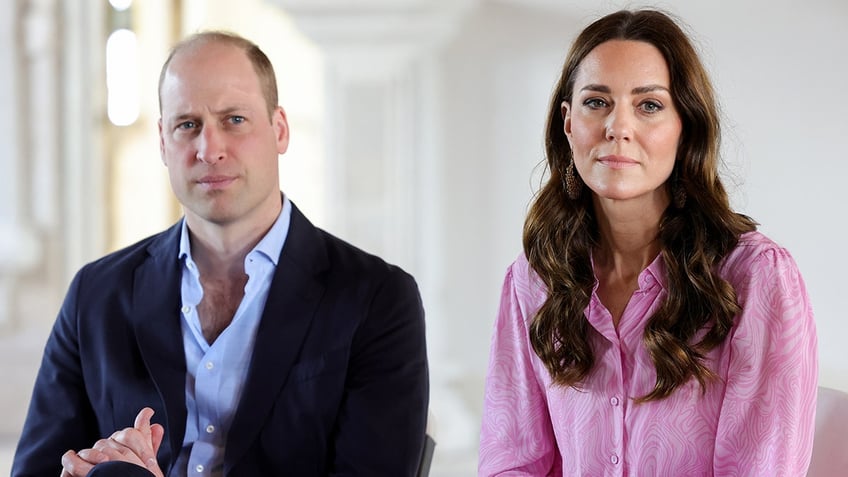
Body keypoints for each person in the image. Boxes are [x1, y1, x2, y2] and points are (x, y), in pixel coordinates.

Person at [12, 31, 429, 477]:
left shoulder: (378, 298)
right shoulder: (95, 294)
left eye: (233, 119)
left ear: (280, 129)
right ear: (162, 141)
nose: (209, 150)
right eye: (187, 125)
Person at [478, 9, 817, 476]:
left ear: (686, 126)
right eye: (596, 102)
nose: (618, 127)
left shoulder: (757, 277)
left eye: (649, 105)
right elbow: (512, 461)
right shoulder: (532, 280)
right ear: (568, 122)